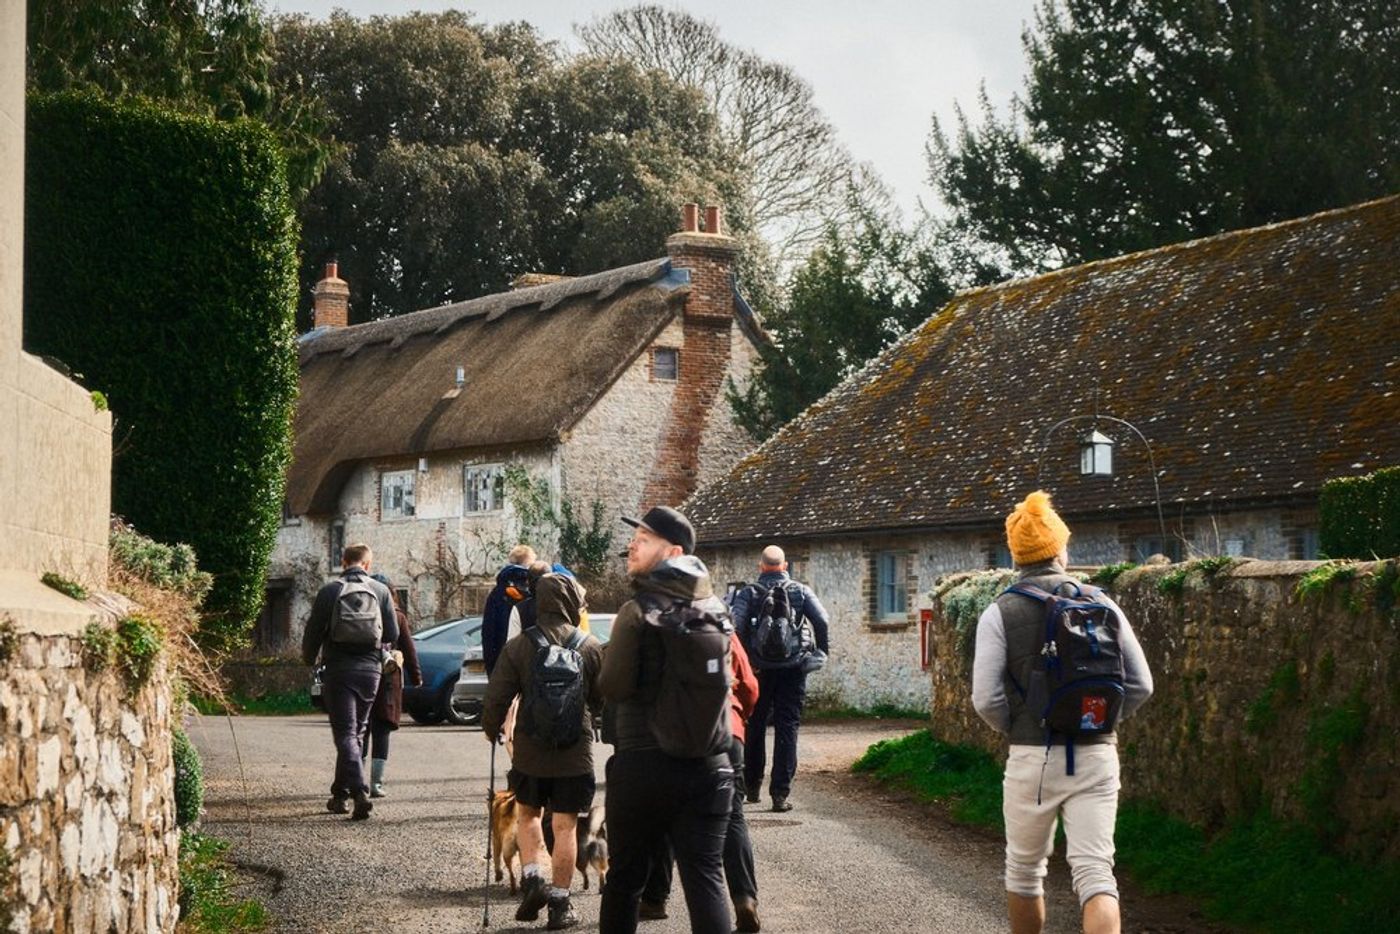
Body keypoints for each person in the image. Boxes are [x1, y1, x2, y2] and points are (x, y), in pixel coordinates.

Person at [972, 491, 1154, 934]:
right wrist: (1099, 722)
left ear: (1016, 556)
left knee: (1024, 872)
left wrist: (1020, 729)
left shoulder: (999, 612)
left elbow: (985, 699)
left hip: (1033, 759)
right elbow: (1141, 685)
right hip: (1096, 755)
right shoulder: (1103, 604)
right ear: (1060, 549)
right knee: (1096, 874)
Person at [598, 506, 735, 934]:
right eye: (634, 537)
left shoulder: (637, 611)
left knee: (624, 881)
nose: (632, 544)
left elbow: (614, 688)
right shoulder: (716, 608)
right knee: (706, 878)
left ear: (673, 550)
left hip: (642, 765)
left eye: (644, 538)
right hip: (711, 765)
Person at [483, 573, 603, 931]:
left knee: (528, 816)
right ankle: (560, 905)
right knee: (565, 826)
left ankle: (533, 879)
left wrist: (491, 730)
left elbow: (497, 696)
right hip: (574, 752)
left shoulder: (520, 645)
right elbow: (600, 699)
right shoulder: (589, 645)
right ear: (570, 604)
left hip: (530, 751)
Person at [638, 626, 761, 931]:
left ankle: (655, 898)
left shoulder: (659, 627)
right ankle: (745, 898)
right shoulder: (721, 628)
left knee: (665, 810)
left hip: (674, 732)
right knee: (733, 816)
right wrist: (738, 713)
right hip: (726, 729)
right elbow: (749, 685)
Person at [301, 543, 399, 820]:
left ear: (343, 562)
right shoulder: (380, 592)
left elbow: (313, 633)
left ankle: (359, 792)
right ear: (367, 564)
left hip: (338, 669)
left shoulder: (330, 591)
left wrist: (308, 659)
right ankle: (340, 794)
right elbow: (391, 632)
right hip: (370, 671)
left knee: (345, 733)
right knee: (356, 732)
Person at [729, 545, 830, 812]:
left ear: (761, 567)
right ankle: (780, 794)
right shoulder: (800, 591)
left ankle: (751, 787)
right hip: (793, 669)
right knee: (788, 727)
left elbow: (735, 627)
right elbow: (822, 620)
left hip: (758, 670)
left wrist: (746, 663)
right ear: (785, 566)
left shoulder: (748, 593)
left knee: (755, 726)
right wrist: (821, 652)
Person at [361, 573, 422, 798]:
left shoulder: (362, 612)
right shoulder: (397, 616)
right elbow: (408, 648)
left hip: (362, 676)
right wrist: (416, 677)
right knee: (382, 730)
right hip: (388, 681)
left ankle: (357, 781)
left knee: (362, 729)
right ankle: (376, 784)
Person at [483, 544, 536, 675]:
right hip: (530, 661)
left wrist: (491, 667)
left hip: (502, 659)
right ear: (529, 562)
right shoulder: (536, 591)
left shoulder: (497, 593)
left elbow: (488, 632)